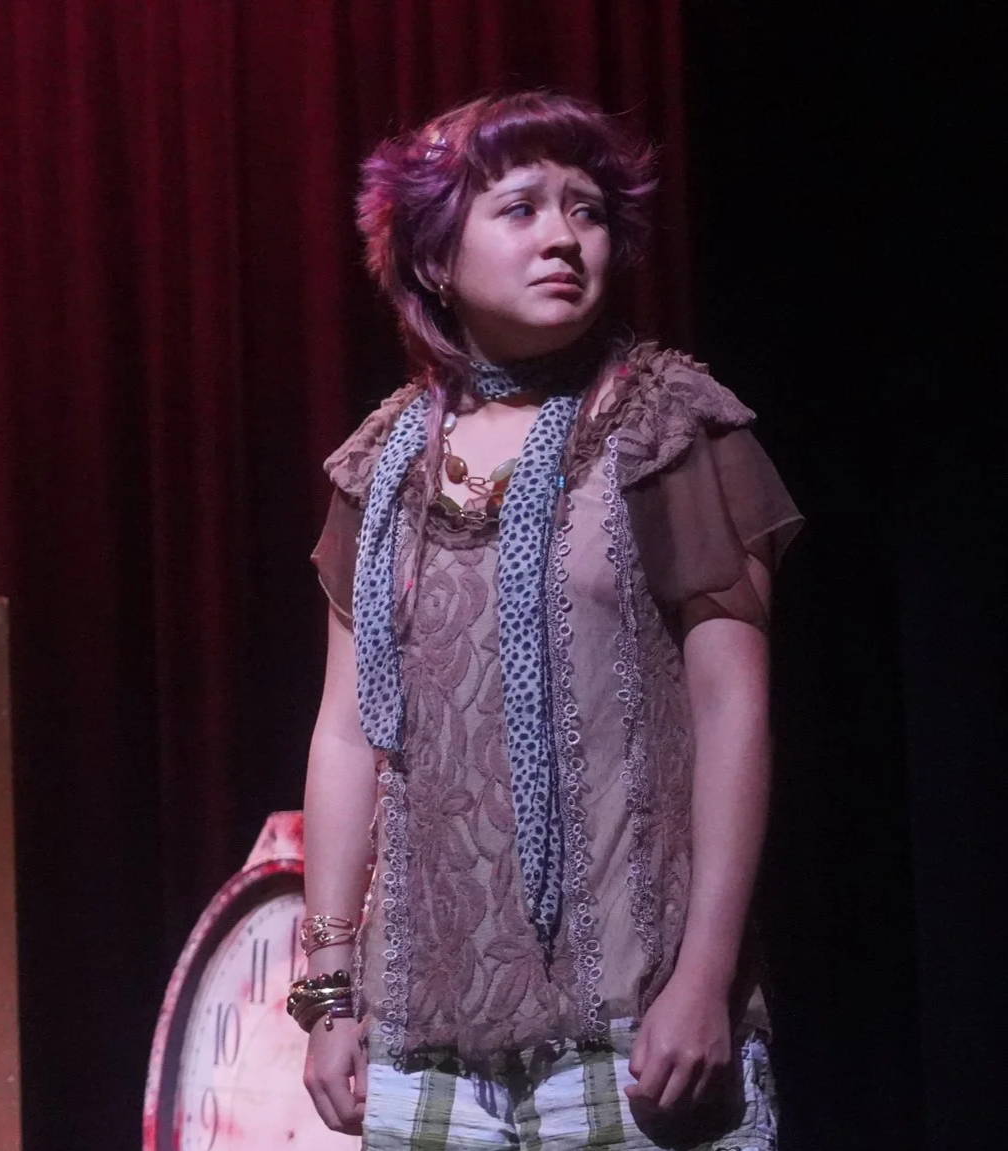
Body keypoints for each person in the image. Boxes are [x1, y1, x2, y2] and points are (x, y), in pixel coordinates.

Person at [289, 91, 802, 1150]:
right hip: (416, 1039)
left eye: (587, 210)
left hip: (635, 1028)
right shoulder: (380, 465)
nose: (565, 236)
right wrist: (329, 996)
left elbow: (731, 709)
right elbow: (346, 732)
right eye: (519, 208)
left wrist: (704, 976)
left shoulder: (668, 427)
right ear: (435, 254)